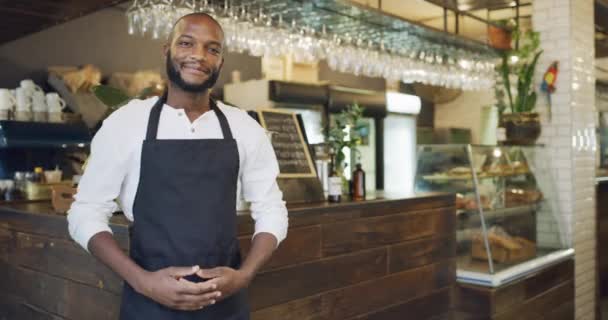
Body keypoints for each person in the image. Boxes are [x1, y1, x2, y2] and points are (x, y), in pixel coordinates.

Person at [67, 12, 288, 320]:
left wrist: (245, 275)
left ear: (221, 62)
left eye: (212, 49)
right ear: (167, 49)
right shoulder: (126, 123)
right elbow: (85, 212)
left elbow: (271, 209)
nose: (199, 55)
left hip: (225, 305)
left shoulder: (245, 128)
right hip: (148, 305)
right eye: (186, 43)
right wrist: (142, 281)